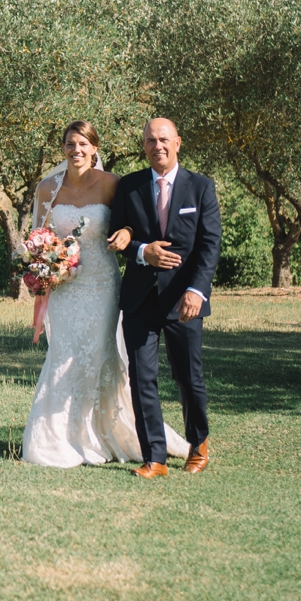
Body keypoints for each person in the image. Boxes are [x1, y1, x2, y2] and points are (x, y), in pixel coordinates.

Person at [21, 120, 188, 468]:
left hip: (103, 286)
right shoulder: (46, 189)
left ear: (94, 148)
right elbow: (37, 237)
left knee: (99, 357)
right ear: (63, 148)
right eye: (70, 144)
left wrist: (127, 235)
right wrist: (45, 262)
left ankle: (100, 433)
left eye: (83, 144)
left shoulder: (113, 184)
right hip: (66, 288)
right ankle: (57, 439)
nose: (76, 150)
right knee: (63, 355)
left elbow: (130, 222)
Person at [106, 117, 220, 478]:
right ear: (144, 146)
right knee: (142, 379)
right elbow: (118, 235)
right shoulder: (130, 186)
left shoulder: (201, 188)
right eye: (151, 140)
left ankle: (198, 445)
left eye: (164, 139)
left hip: (184, 300)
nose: (158, 146)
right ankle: (154, 457)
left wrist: (196, 291)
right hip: (140, 299)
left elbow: (209, 245)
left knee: (189, 377)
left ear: (178, 143)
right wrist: (142, 252)